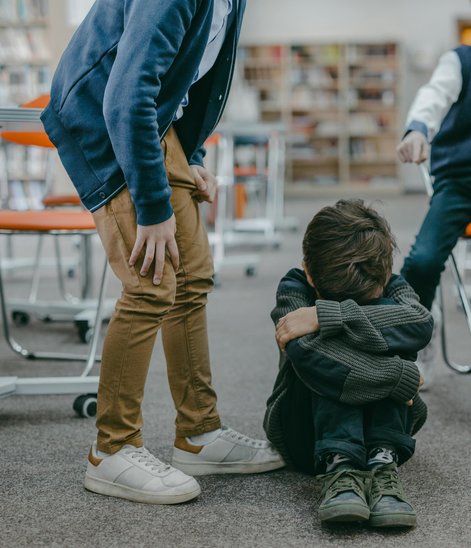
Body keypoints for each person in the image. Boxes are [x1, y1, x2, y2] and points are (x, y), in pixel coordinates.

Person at [41, 0, 283, 506]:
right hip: (104, 119)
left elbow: (190, 78)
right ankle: (111, 449)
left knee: (192, 277)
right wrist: (153, 208)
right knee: (151, 284)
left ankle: (198, 434)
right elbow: (125, 95)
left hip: (151, 121)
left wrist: (190, 157)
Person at [264, 200, 433, 527]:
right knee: (323, 352)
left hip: (385, 433)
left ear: (384, 276)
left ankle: (382, 462)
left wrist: (329, 315)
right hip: (305, 433)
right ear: (308, 273)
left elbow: (420, 323)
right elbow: (308, 356)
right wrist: (399, 376)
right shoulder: (294, 287)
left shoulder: (391, 285)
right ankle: (340, 464)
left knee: (381, 329)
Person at [396, 45, 471, 386]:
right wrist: (417, 129)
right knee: (422, 263)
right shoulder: (461, 60)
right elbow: (434, 96)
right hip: (460, 180)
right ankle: (419, 340)